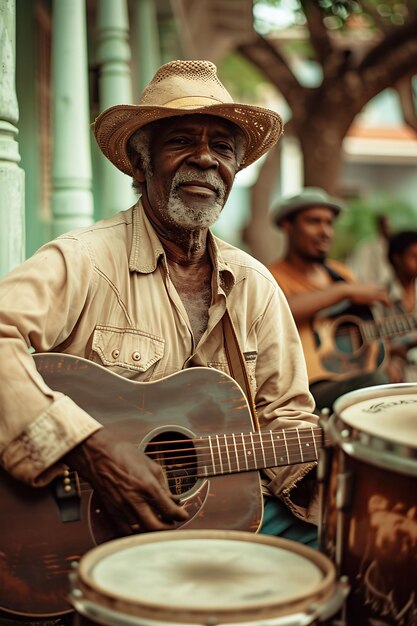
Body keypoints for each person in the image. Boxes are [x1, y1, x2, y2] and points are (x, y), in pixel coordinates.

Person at [0, 59, 320, 622]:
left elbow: (288, 421)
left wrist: (340, 454)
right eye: (181, 141)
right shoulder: (85, 260)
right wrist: (85, 448)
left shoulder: (254, 285)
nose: (205, 158)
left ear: (235, 169)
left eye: (222, 147)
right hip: (81, 539)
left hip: (203, 529)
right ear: (141, 163)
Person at [268, 187, 391, 413]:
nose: (325, 231)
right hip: (303, 388)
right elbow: (277, 312)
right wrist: (342, 291)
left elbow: (361, 328)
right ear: (287, 225)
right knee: (376, 384)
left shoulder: (341, 273)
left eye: (329, 223)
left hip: (348, 376)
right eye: (314, 221)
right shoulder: (271, 277)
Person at [373, 230, 417, 383]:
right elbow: (374, 342)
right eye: (414, 256)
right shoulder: (379, 295)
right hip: (394, 366)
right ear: (397, 259)